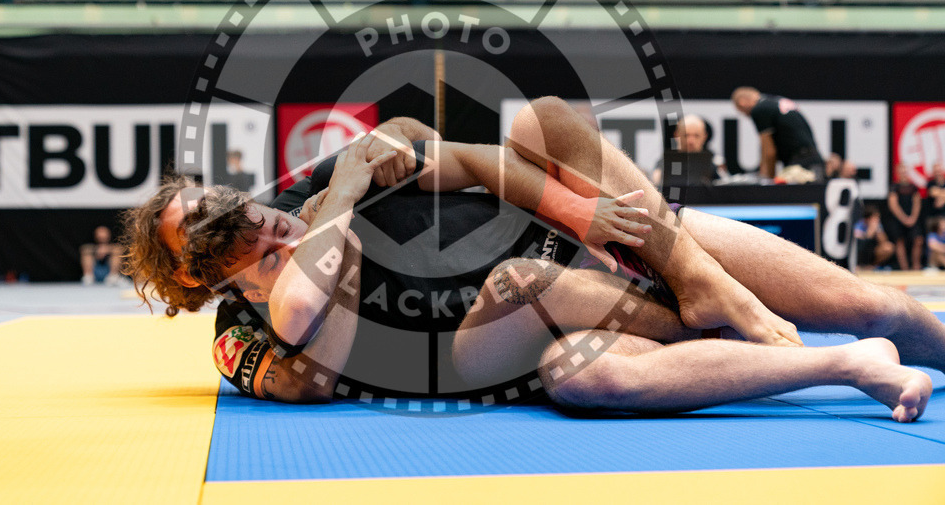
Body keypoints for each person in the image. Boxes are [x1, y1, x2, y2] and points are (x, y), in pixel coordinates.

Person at [122, 99, 941, 422]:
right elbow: (310, 351)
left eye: (213, 197)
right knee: (574, 357)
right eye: (201, 224)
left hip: (609, 246)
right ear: (192, 271)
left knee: (885, 306)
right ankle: (837, 362)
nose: (227, 210)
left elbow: (441, 148)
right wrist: (340, 188)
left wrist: (576, 207)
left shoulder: (318, 190)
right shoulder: (242, 322)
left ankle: (705, 285)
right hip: (505, 336)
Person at [731, 87, 824, 182]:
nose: (746, 115)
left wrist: (767, 180)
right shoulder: (775, 101)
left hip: (799, 165)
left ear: (742, 102)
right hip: (814, 159)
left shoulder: (759, 109)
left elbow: (769, 151)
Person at [650, 114, 726, 187]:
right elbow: (655, 184)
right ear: (676, 135)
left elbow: (724, 185)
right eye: (686, 135)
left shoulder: (714, 162)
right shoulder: (664, 162)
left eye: (696, 136)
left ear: (705, 136)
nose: (691, 141)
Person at [887, 163, 924, 271]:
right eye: (901, 171)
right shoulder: (894, 187)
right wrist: (904, 218)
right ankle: (905, 268)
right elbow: (893, 205)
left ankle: (916, 266)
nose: (903, 174)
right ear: (898, 173)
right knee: (900, 241)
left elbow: (917, 203)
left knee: (918, 240)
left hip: (912, 218)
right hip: (899, 219)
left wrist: (912, 218)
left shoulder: (913, 187)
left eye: (905, 171)